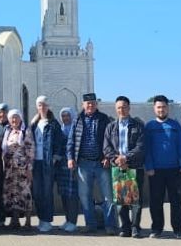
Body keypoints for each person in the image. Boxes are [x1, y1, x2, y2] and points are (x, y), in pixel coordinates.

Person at [67, 93, 115, 234]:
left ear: (96, 104)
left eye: (93, 103)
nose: (90, 105)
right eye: (87, 103)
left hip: (101, 163)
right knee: (84, 195)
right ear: (83, 105)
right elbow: (71, 140)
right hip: (83, 163)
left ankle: (110, 225)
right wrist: (70, 158)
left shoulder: (104, 119)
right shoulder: (78, 120)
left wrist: (108, 156)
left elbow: (110, 140)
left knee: (108, 195)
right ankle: (91, 224)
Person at [144, 95, 181, 240]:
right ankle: (157, 228)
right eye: (158, 107)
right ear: (154, 109)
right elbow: (147, 149)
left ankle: (178, 229)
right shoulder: (149, 127)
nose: (161, 109)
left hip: (174, 170)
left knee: (176, 201)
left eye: (163, 107)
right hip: (155, 170)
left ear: (167, 108)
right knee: (155, 201)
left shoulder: (175, 126)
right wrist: (149, 166)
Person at [103, 96, 146, 238]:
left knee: (135, 200)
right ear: (116, 109)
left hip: (134, 166)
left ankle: (135, 227)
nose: (122, 110)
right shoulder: (111, 127)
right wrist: (117, 159)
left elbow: (141, 146)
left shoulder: (138, 125)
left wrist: (126, 158)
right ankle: (125, 227)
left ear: (129, 107)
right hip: (118, 167)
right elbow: (107, 147)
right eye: (119, 108)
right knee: (121, 200)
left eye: (124, 107)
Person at [30, 96, 63, 232]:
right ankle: (41, 218)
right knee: (37, 192)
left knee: (47, 192)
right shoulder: (34, 124)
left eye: (44, 105)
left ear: (48, 106)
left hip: (48, 162)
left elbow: (59, 143)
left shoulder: (53, 124)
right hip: (35, 162)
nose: (42, 107)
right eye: (39, 105)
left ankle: (47, 220)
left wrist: (55, 157)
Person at [1, 109, 34, 229]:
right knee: (12, 193)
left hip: (22, 169)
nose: (14, 120)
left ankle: (28, 221)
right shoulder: (8, 131)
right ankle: (15, 220)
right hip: (10, 169)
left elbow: (30, 151)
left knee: (25, 193)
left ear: (20, 118)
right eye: (12, 118)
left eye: (16, 117)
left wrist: (29, 169)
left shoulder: (25, 131)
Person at [57, 107, 80, 233]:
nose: (65, 118)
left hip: (72, 166)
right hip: (62, 167)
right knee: (64, 194)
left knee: (72, 195)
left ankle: (73, 221)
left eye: (68, 116)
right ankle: (67, 219)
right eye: (63, 116)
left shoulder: (75, 129)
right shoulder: (60, 130)